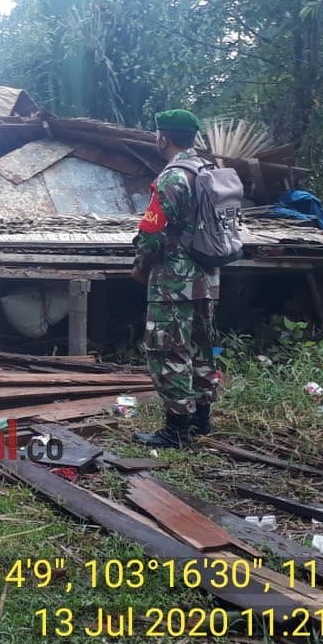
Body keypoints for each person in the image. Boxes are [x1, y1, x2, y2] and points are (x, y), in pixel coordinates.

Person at [131, 109, 219, 448]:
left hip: (173, 280)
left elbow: (151, 233)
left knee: (168, 349)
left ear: (163, 137)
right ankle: (201, 418)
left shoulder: (172, 178)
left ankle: (176, 429)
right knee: (201, 345)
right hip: (207, 277)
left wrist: (140, 266)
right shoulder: (207, 172)